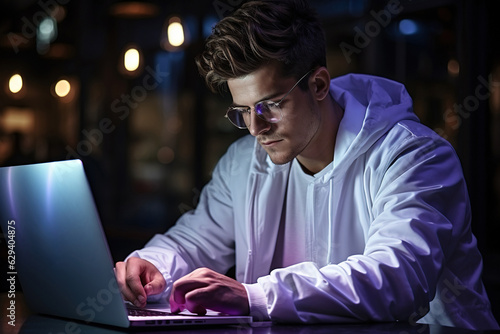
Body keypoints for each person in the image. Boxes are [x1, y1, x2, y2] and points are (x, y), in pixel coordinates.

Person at [115, 0, 499, 329]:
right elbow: (195, 239)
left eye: (270, 105)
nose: (256, 128)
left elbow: (397, 279)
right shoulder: (244, 162)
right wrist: (152, 265)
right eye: (243, 111)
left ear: (318, 85)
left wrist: (255, 296)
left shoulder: (415, 156)